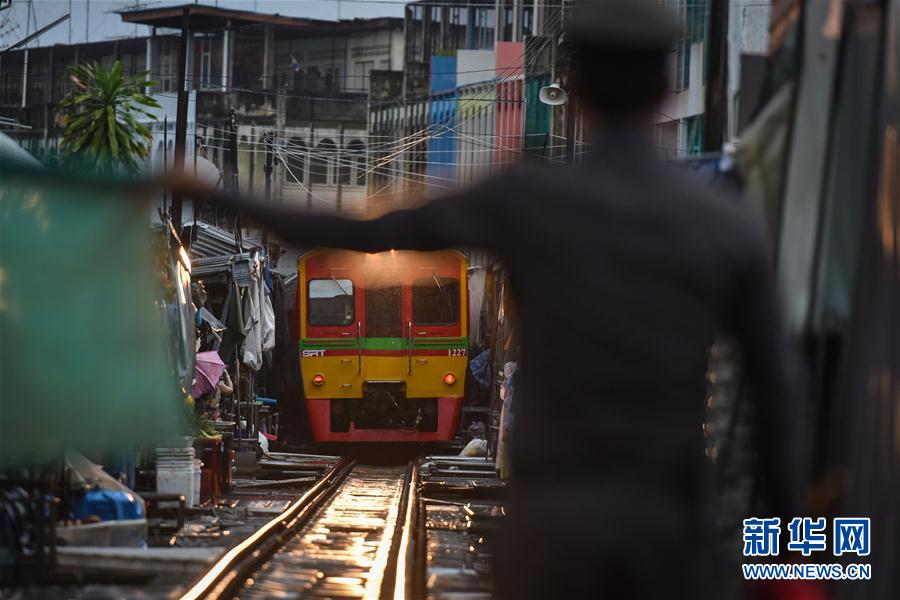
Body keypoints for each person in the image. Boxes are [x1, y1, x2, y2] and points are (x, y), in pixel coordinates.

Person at [217, 2, 801, 596]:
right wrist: (793, 556)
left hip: (552, 524)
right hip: (670, 526)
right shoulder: (725, 221)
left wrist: (207, 190)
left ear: (573, 91)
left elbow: (361, 232)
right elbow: (777, 395)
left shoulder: (527, 200)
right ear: (666, 90)